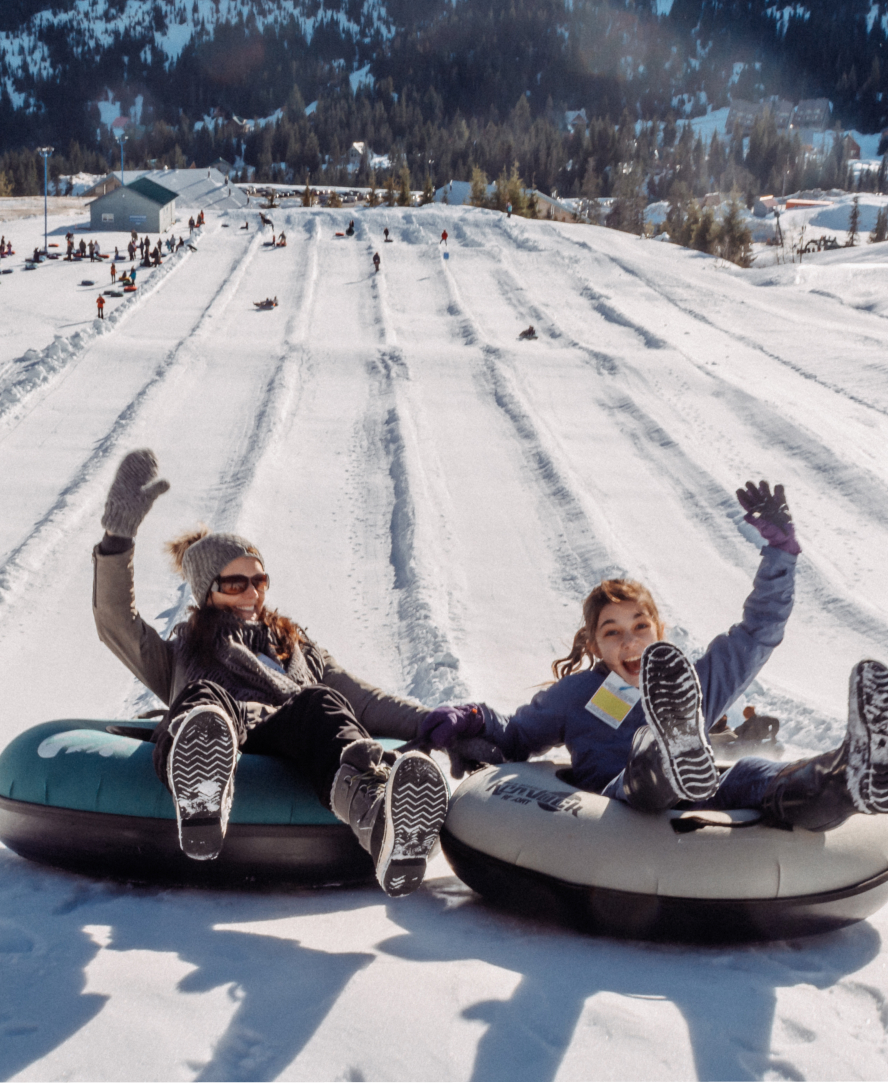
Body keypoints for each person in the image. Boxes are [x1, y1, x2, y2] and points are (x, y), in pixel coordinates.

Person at [422, 482, 888, 833]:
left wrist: (780, 554)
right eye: (613, 632)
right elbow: (518, 738)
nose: (629, 643)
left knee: (752, 773)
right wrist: (472, 718)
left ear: (658, 631)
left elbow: (758, 633)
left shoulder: (697, 680)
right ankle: (665, 753)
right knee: (636, 775)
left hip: (702, 792)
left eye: (639, 627)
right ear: (594, 645)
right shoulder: (578, 693)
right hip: (617, 798)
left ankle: (848, 777)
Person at [92, 450, 450, 896]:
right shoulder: (183, 650)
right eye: (234, 583)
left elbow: (363, 700)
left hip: (290, 737)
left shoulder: (295, 645)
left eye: (259, 581)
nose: (251, 593)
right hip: (226, 728)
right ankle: (202, 784)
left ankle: (379, 819)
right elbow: (115, 622)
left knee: (321, 702)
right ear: (208, 591)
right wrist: (116, 539)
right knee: (203, 698)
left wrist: (438, 724)